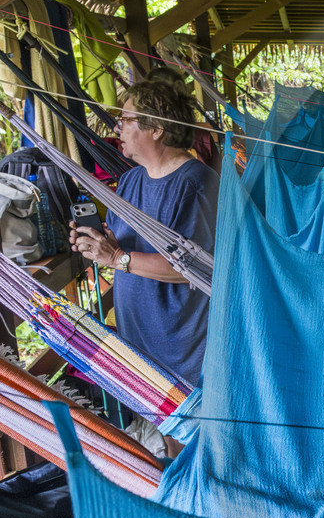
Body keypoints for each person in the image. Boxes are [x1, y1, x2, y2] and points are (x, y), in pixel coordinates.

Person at [69, 78, 218, 390]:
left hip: (184, 343)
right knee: (165, 435)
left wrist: (116, 258)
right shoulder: (130, 181)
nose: (116, 128)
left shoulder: (196, 182)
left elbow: (199, 268)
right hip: (138, 334)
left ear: (157, 129)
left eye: (125, 119)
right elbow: (124, 244)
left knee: (190, 432)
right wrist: (98, 244)